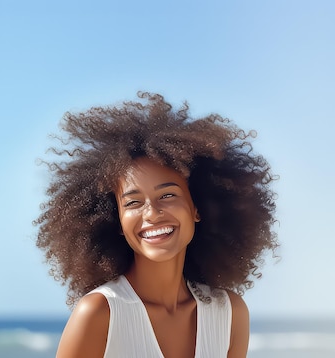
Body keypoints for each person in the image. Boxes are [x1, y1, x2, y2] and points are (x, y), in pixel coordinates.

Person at [34, 92, 278, 358]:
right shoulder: (99, 313)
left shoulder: (229, 313)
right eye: (133, 202)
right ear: (116, 220)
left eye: (167, 195)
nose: (151, 213)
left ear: (197, 207)